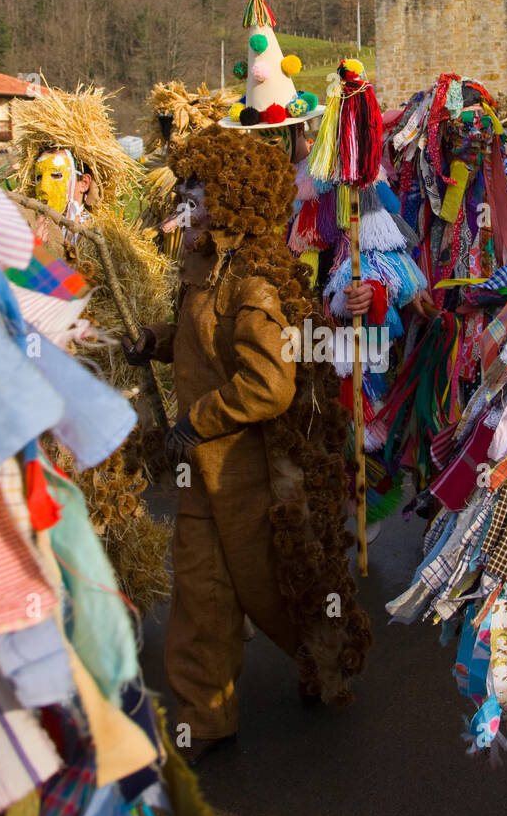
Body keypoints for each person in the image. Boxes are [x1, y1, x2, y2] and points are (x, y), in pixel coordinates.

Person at [122, 127, 371, 761]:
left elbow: (268, 386)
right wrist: (153, 340)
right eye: (183, 184)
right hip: (201, 474)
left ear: (232, 196)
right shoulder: (205, 265)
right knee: (202, 593)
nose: (184, 196)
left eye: (196, 187)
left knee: (277, 592)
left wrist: (195, 420)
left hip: (252, 477)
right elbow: (195, 336)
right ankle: (205, 717)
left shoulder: (254, 284)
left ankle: (325, 660)